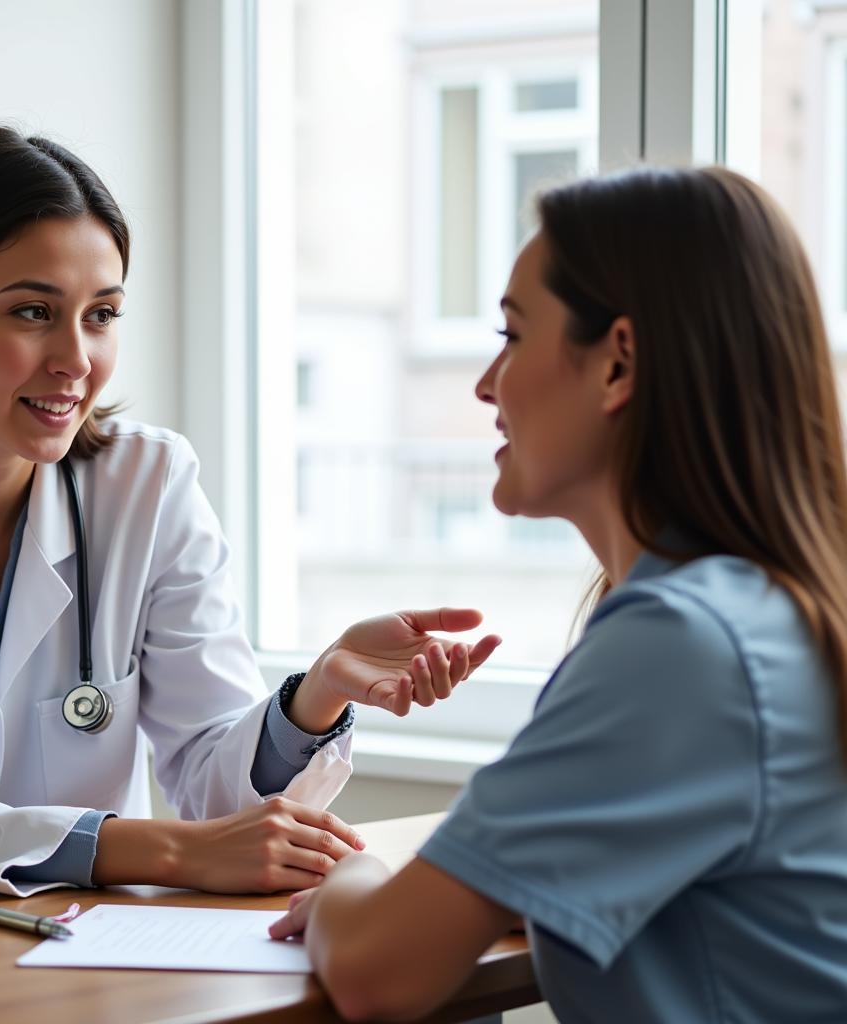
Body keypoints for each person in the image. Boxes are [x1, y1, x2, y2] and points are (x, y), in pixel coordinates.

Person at [0, 126, 500, 896]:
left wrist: (317, 694)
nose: (76, 360)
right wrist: (171, 853)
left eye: (102, 314)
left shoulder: (147, 482)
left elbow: (214, 786)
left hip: (84, 969)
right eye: (33, 313)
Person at [270, 166, 847, 1022]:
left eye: (512, 335)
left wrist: (356, 875)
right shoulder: (767, 609)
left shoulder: (682, 645)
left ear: (617, 364)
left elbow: (374, 972)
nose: (484, 384)